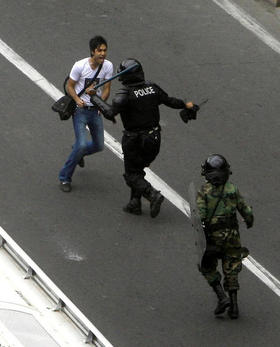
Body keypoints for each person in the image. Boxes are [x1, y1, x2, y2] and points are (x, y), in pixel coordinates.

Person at [91, 58, 198, 218]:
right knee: (137, 170)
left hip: (134, 141)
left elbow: (110, 112)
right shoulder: (152, 88)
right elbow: (170, 101)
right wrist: (185, 105)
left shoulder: (124, 94)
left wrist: (94, 97)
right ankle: (135, 203)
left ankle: (152, 195)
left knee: (131, 175)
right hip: (154, 140)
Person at [196, 154, 254, 319]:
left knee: (206, 265)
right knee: (231, 268)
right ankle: (234, 306)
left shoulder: (204, 192)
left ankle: (222, 297)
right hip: (232, 237)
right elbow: (246, 210)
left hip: (213, 238)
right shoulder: (232, 189)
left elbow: (200, 216)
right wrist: (249, 221)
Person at [59, 36, 113, 192]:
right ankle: (64, 177)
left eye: (105, 50)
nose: (103, 53)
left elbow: (107, 89)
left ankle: (78, 152)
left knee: (99, 145)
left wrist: (100, 103)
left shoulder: (108, 66)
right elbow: (70, 86)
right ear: (92, 51)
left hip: (95, 110)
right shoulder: (80, 66)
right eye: (100, 50)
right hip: (80, 110)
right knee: (81, 144)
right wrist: (77, 99)